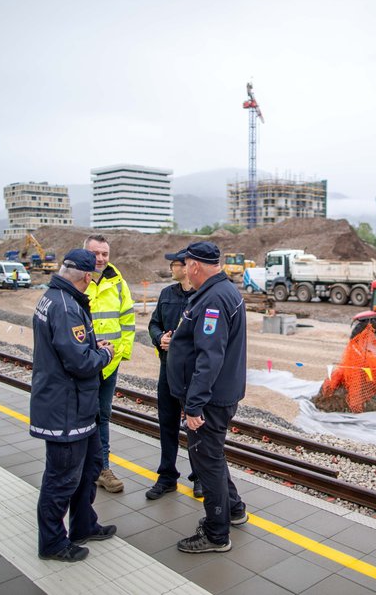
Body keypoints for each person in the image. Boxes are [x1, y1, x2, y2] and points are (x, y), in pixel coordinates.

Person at [30, 249, 117, 562]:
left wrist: (93, 346)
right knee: (62, 478)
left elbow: (72, 347)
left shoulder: (55, 297)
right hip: (65, 410)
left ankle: (83, 524)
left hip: (78, 407)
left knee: (89, 467)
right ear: (86, 277)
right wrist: (104, 355)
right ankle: (52, 542)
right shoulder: (66, 307)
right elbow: (79, 362)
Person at [168, 241, 248, 554]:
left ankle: (216, 534)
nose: (183, 269)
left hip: (210, 400)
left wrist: (194, 405)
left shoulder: (213, 299)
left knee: (207, 462)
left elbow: (209, 357)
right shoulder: (222, 291)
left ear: (195, 266)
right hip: (219, 394)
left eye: (185, 263)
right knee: (213, 455)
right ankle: (235, 509)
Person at [145, 248, 200, 500]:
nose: (171, 268)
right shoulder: (167, 294)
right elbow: (153, 323)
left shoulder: (202, 296)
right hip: (167, 368)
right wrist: (160, 337)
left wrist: (178, 342)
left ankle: (199, 477)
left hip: (191, 373)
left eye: (175, 264)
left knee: (196, 426)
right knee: (166, 423)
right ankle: (167, 476)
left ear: (187, 266)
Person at [83, 234, 136, 493]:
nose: (101, 258)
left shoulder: (118, 283)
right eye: (95, 253)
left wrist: (121, 353)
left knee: (103, 416)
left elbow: (128, 319)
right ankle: (82, 468)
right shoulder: (78, 281)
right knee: (82, 415)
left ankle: (102, 468)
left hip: (109, 364)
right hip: (82, 365)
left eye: (104, 253)